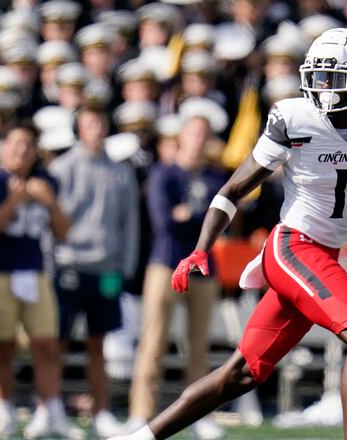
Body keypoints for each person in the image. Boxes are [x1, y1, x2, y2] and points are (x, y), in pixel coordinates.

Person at [110, 28, 347, 440]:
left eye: (337, 78)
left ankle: (139, 437)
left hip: (322, 257)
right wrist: (200, 248)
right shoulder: (293, 117)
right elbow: (232, 190)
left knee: (240, 375)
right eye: (320, 77)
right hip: (292, 248)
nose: (326, 88)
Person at [0, 123, 79, 439]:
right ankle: (4, 412)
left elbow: (64, 232)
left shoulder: (46, 180)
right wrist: (14, 201)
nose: (22, 150)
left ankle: (51, 411)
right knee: (3, 345)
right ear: (4, 146)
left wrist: (49, 202)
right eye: (16, 143)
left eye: (29, 145)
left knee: (47, 345)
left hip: (35, 271)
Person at [127, 115, 230, 439]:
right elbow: (163, 221)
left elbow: (223, 221)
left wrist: (188, 214)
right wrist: (198, 219)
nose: (198, 140)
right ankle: (140, 413)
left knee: (198, 348)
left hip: (203, 268)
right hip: (166, 263)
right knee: (153, 344)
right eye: (193, 133)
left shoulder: (215, 177)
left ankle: (199, 415)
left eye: (204, 134)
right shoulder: (164, 173)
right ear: (182, 137)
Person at [49, 105, 140, 437]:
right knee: (56, 343)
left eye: (101, 122)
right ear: (78, 128)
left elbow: (129, 223)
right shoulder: (60, 168)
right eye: (90, 123)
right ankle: (51, 408)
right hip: (68, 266)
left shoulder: (121, 172)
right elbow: (50, 222)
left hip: (107, 268)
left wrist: (125, 266)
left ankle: (101, 411)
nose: (97, 129)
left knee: (98, 345)